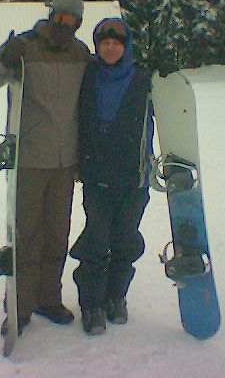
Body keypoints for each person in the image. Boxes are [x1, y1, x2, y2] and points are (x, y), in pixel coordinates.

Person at [0, 0, 92, 335]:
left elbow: (104, 83)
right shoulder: (24, 48)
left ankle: (48, 298)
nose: (65, 25)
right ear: (51, 14)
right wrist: (3, 60)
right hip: (28, 161)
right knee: (27, 235)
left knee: (57, 234)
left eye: (73, 20)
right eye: (60, 17)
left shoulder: (81, 55)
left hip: (65, 163)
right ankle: (20, 305)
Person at [70, 17, 154, 335]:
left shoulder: (145, 80)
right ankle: (91, 304)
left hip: (134, 179)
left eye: (116, 42)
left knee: (125, 241)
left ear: (126, 46)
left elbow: (177, 112)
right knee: (96, 240)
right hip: (98, 178)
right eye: (104, 42)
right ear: (97, 46)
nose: (110, 47)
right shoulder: (87, 76)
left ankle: (115, 297)